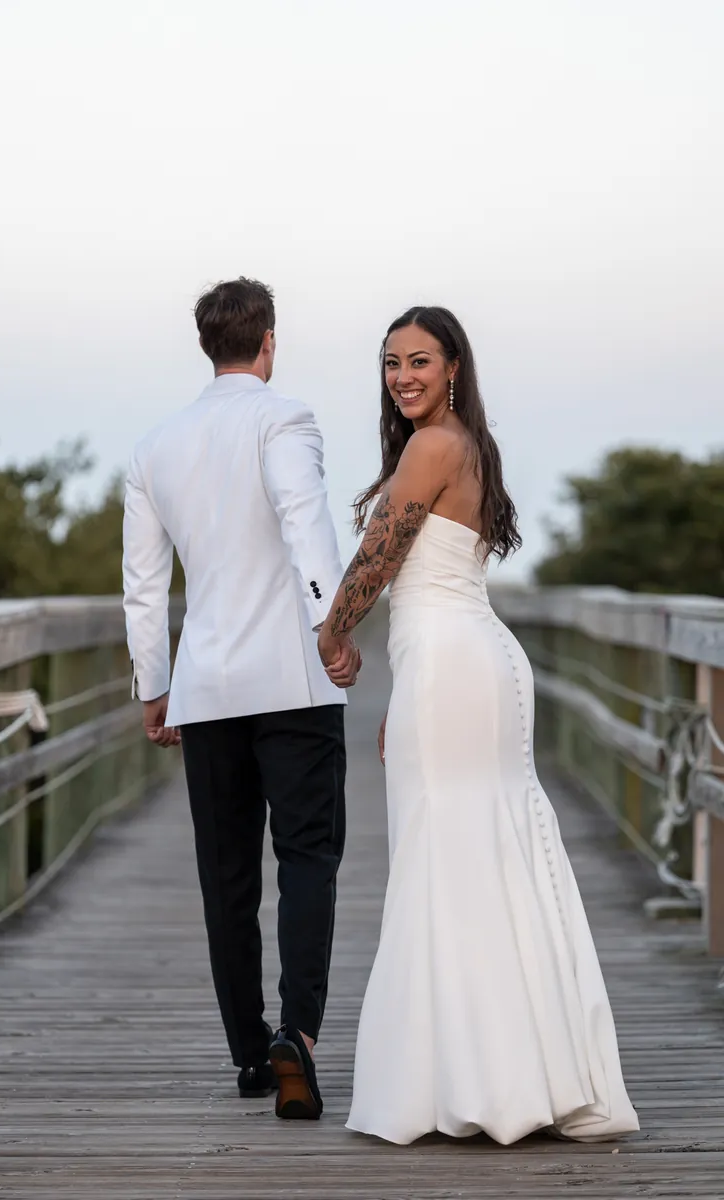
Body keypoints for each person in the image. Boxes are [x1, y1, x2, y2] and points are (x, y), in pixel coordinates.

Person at [317, 305, 639, 1145]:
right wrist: (403, 695)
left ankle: (478, 1079)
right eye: (391, 364)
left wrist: (332, 630)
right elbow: (431, 584)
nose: (403, 376)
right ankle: (511, 1071)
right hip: (460, 664)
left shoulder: (433, 445)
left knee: (449, 856)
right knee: (482, 855)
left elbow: (380, 563)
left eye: (419, 360)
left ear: (453, 365)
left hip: (456, 665)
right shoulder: (467, 444)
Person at [123, 277, 360, 1121]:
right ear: (267, 342)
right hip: (293, 681)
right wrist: (334, 626)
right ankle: (297, 1035)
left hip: (207, 686)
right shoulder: (284, 417)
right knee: (307, 861)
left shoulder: (156, 446)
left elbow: (144, 586)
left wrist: (155, 684)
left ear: (207, 345)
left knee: (225, 877)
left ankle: (248, 1054)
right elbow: (306, 519)